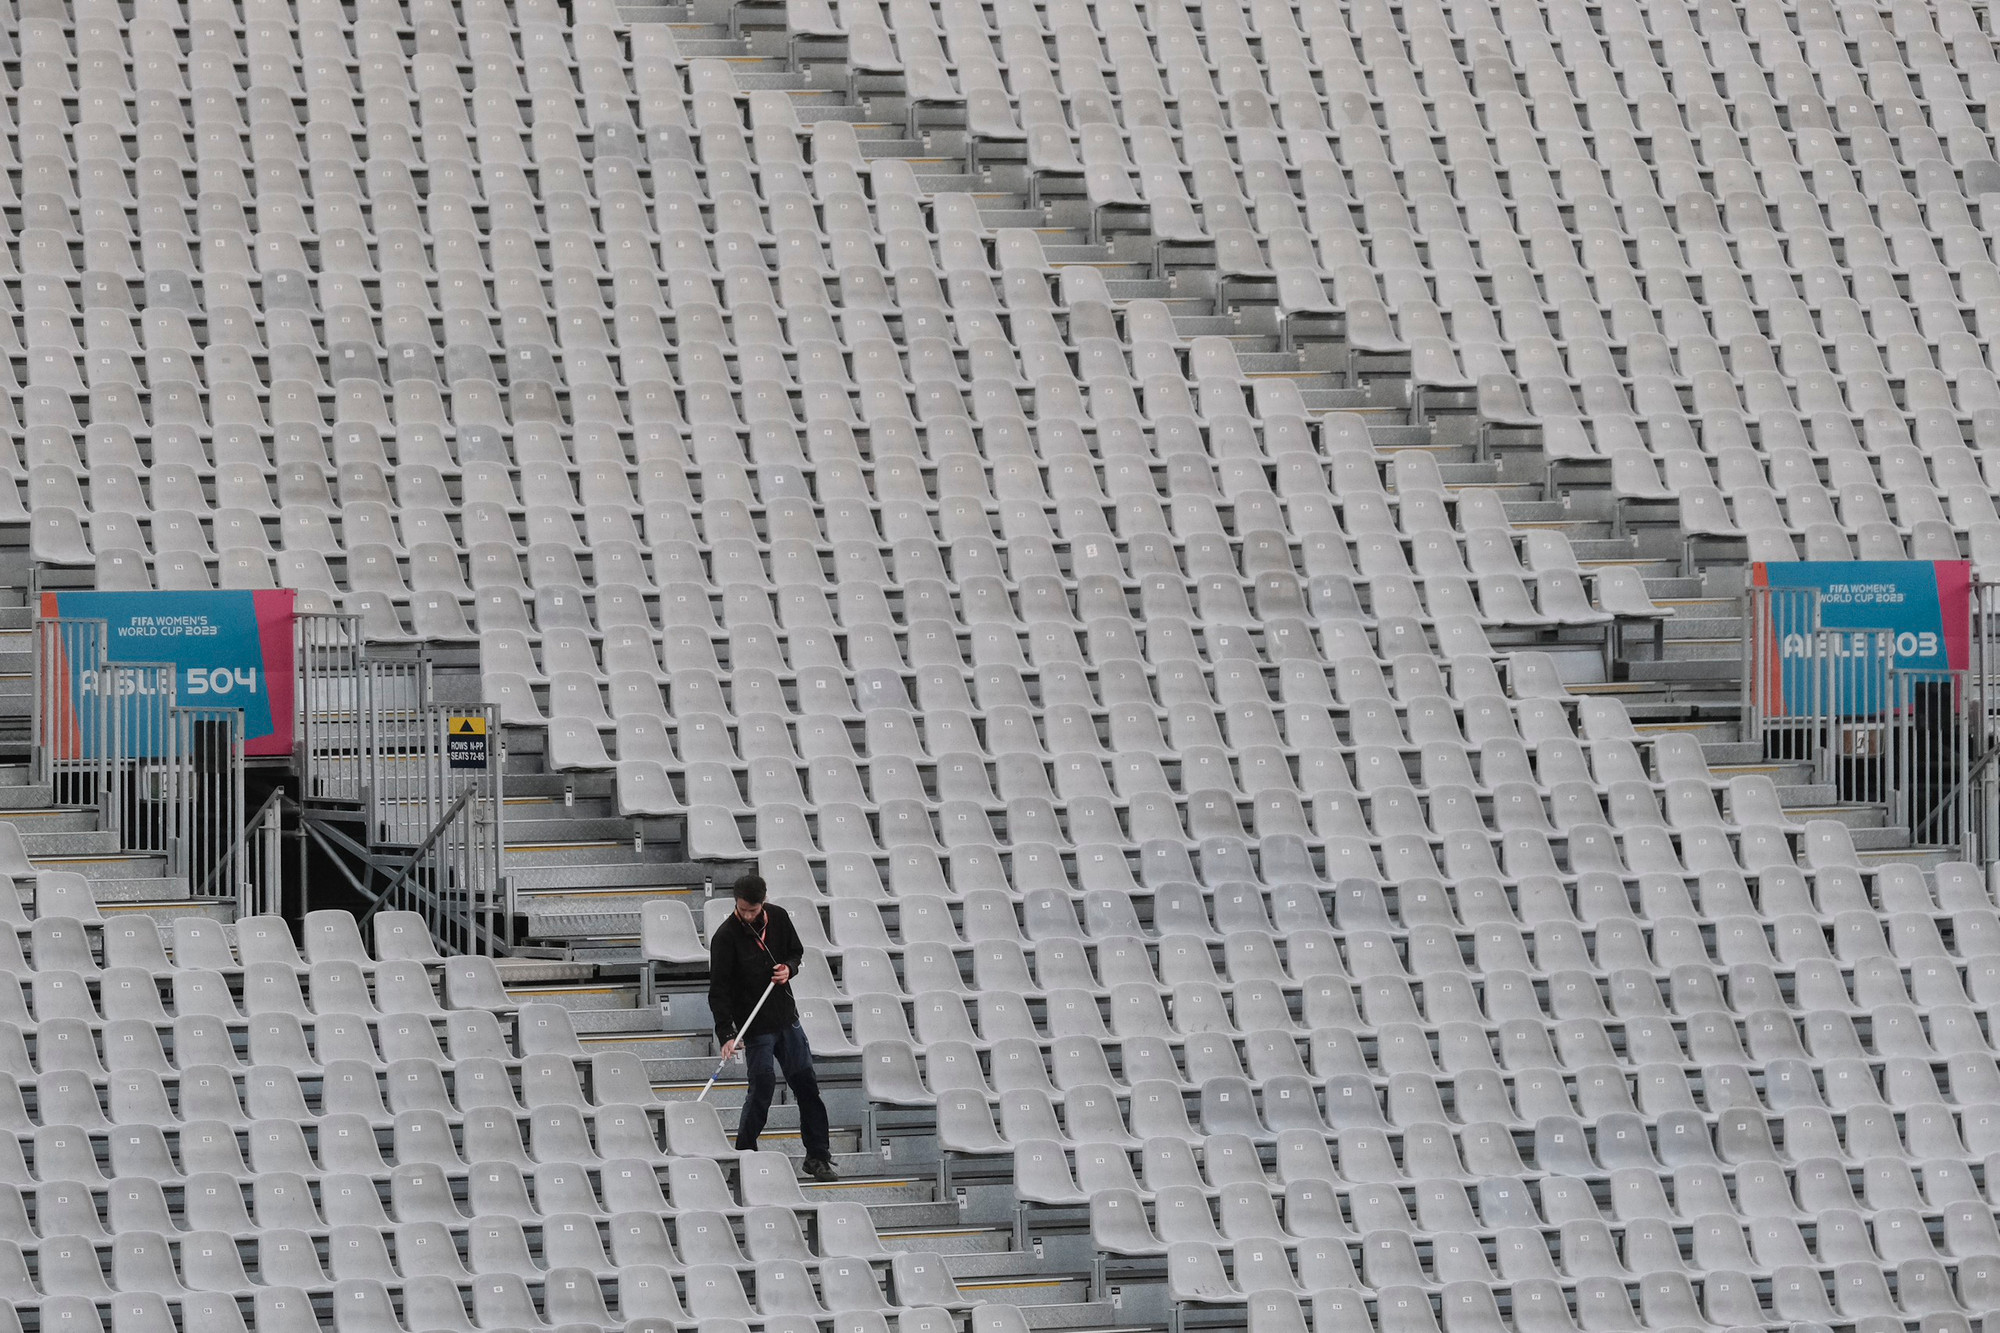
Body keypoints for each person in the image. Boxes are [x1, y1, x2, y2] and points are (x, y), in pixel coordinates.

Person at [708, 874, 837, 1179]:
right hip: (755, 1027)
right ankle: (744, 1154)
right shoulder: (725, 937)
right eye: (742, 910)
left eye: (752, 910)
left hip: (787, 1019)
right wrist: (726, 1032)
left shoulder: (778, 917)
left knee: (807, 1086)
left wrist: (788, 969)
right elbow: (719, 991)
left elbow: (796, 952)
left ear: (763, 903)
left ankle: (817, 1156)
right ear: (736, 904)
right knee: (762, 1087)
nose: (747, 916)